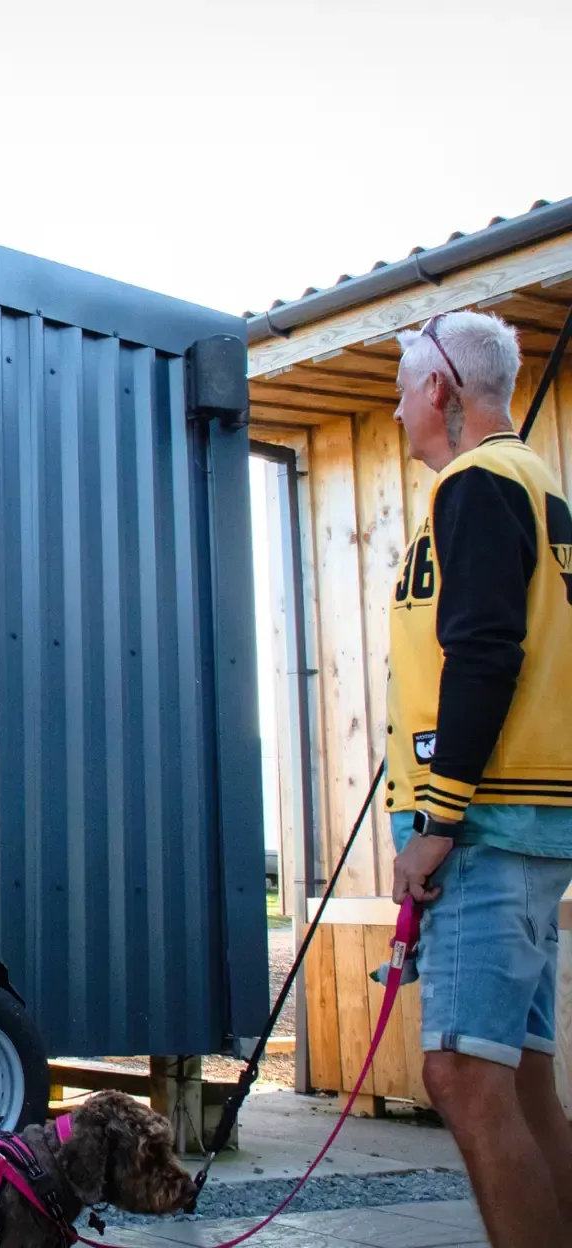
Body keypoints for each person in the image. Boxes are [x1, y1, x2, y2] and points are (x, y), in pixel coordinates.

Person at [387, 309, 572, 1247]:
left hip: (488, 831)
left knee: (461, 1074)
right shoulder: (538, 485)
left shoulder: (479, 482)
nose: (396, 417)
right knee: (522, 1077)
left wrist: (437, 819)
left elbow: (485, 653)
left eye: (399, 397)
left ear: (440, 391)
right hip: (529, 833)